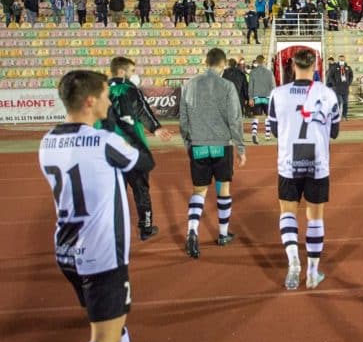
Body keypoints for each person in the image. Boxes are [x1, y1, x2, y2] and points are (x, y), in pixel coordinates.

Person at [39, 71, 155, 342]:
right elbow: (145, 162)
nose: (109, 101)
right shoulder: (106, 143)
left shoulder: (47, 142)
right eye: (106, 96)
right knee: (101, 338)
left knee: (107, 318)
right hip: (102, 252)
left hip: (66, 249)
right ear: (90, 101)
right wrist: (126, 123)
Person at [268, 48, 341, 290]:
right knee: (315, 218)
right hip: (318, 162)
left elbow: (276, 131)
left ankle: (293, 262)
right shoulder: (328, 94)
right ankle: (312, 271)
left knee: (288, 213)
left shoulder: (277, 94)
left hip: (289, 162)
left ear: (292, 67)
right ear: (316, 67)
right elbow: (335, 132)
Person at [179, 48, 246, 259]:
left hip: (198, 145)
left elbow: (183, 120)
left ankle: (192, 229)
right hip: (221, 146)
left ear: (205, 62)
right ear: (223, 64)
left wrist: (188, 143)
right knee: (223, 188)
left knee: (199, 191)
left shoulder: (189, 85)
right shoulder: (227, 86)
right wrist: (240, 147)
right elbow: (235, 118)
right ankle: (223, 234)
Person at [102, 57, 173, 240]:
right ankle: (146, 228)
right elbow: (143, 111)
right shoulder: (131, 89)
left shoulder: (100, 91)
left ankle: (112, 231)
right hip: (134, 148)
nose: (134, 75)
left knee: (113, 192)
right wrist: (156, 128)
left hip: (109, 149)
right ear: (122, 72)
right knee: (141, 189)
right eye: (132, 71)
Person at [249, 54, 276, 144]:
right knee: (267, 116)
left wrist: (250, 98)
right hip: (267, 97)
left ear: (256, 61)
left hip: (256, 96)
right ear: (264, 61)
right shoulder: (269, 72)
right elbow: (273, 86)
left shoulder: (252, 72)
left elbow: (250, 86)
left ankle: (254, 133)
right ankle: (267, 135)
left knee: (256, 116)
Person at [326, 54, 354, 120]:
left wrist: (349, 82)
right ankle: (337, 115)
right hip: (337, 87)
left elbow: (351, 75)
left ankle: (344, 115)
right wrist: (334, 84)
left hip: (345, 87)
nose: (342, 60)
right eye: (340, 59)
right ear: (338, 59)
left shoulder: (348, 67)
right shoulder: (334, 67)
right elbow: (330, 76)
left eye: (343, 59)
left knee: (345, 102)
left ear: (344, 59)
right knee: (338, 102)